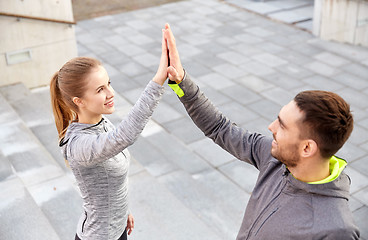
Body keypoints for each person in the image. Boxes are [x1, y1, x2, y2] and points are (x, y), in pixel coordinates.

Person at [163, 24, 360, 239]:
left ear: (307, 147)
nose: (271, 128)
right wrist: (180, 80)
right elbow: (220, 128)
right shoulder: (275, 158)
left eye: (282, 125)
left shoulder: (336, 229)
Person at [49, 29, 169, 240]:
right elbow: (125, 136)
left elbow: (107, 185)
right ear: (79, 101)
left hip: (117, 229)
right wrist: (159, 79)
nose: (111, 93)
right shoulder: (79, 145)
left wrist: (123, 213)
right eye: (100, 89)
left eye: (109, 84)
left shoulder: (101, 121)